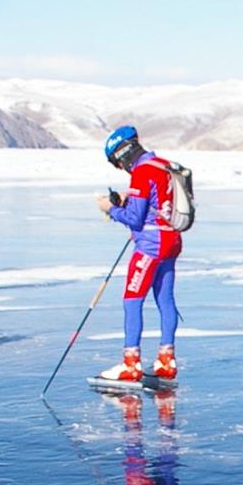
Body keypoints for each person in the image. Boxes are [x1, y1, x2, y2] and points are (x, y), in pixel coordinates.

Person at [95, 125, 184, 383]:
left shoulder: (142, 172)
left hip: (150, 244)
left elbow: (134, 217)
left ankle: (130, 363)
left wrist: (109, 209)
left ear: (123, 154)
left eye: (118, 163)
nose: (121, 169)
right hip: (171, 240)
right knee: (165, 299)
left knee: (132, 299)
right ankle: (167, 360)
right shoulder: (163, 165)